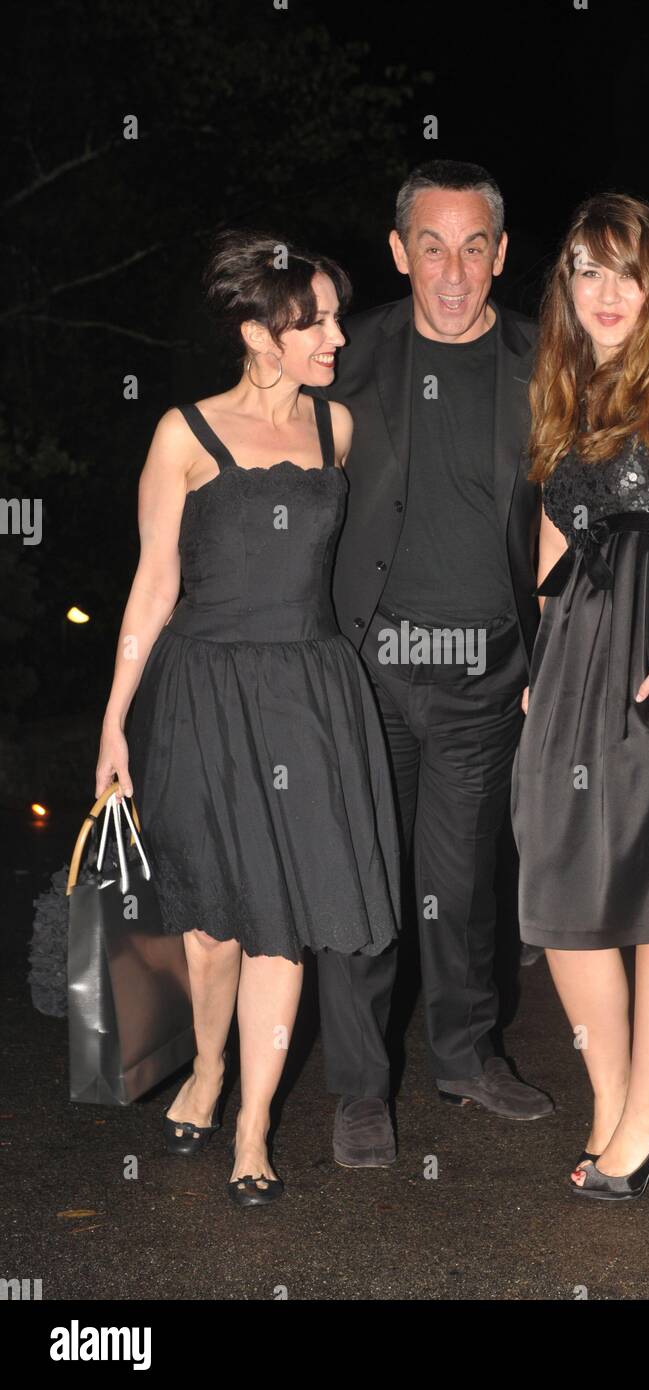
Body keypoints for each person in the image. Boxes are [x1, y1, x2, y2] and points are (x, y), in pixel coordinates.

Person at [96, 231, 401, 1206]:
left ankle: (253, 1124)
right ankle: (207, 1065)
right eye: (313, 320)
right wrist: (112, 725)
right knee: (211, 926)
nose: (335, 337)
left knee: (284, 925)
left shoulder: (338, 430)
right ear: (256, 330)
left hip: (308, 699)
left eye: (335, 317)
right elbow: (151, 588)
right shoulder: (183, 434)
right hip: (201, 694)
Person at [317, 159, 553, 1168]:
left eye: (472, 247)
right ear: (398, 251)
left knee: (460, 885)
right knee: (361, 883)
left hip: (484, 673)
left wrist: (556, 654)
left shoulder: (545, 363)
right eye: (429, 244)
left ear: (500, 254)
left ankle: (464, 1054)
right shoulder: (344, 354)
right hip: (363, 668)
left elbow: (571, 517)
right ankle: (360, 1087)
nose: (450, 271)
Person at [511, 192, 649, 1200]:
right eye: (585, 270)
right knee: (559, 890)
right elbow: (553, 545)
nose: (605, 292)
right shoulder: (564, 386)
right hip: (569, 658)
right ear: (565, 283)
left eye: (625, 270)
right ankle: (611, 1102)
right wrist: (536, 669)